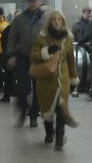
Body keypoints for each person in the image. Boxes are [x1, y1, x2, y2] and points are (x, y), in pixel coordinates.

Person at [29, 11, 80, 150]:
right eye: (54, 20)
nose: (57, 22)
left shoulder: (68, 38)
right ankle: (49, 132)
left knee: (61, 108)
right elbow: (33, 56)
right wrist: (46, 51)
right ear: (49, 22)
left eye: (60, 20)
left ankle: (59, 137)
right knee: (47, 110)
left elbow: (71, 60)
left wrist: (73, 79)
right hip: (46, 81)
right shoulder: (41, 38)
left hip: (63, 80)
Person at [6, 0, 47, 127]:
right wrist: (11, 55)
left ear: (39, 2)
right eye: (30, 1)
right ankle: (22, 112)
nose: (32, 4)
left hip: (39, 58)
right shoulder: (20, 19)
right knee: (22, 87)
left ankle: (34, 115)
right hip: (22, 56)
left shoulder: (45, 18)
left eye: (34, 1)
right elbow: (12, 37)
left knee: (38, 88)